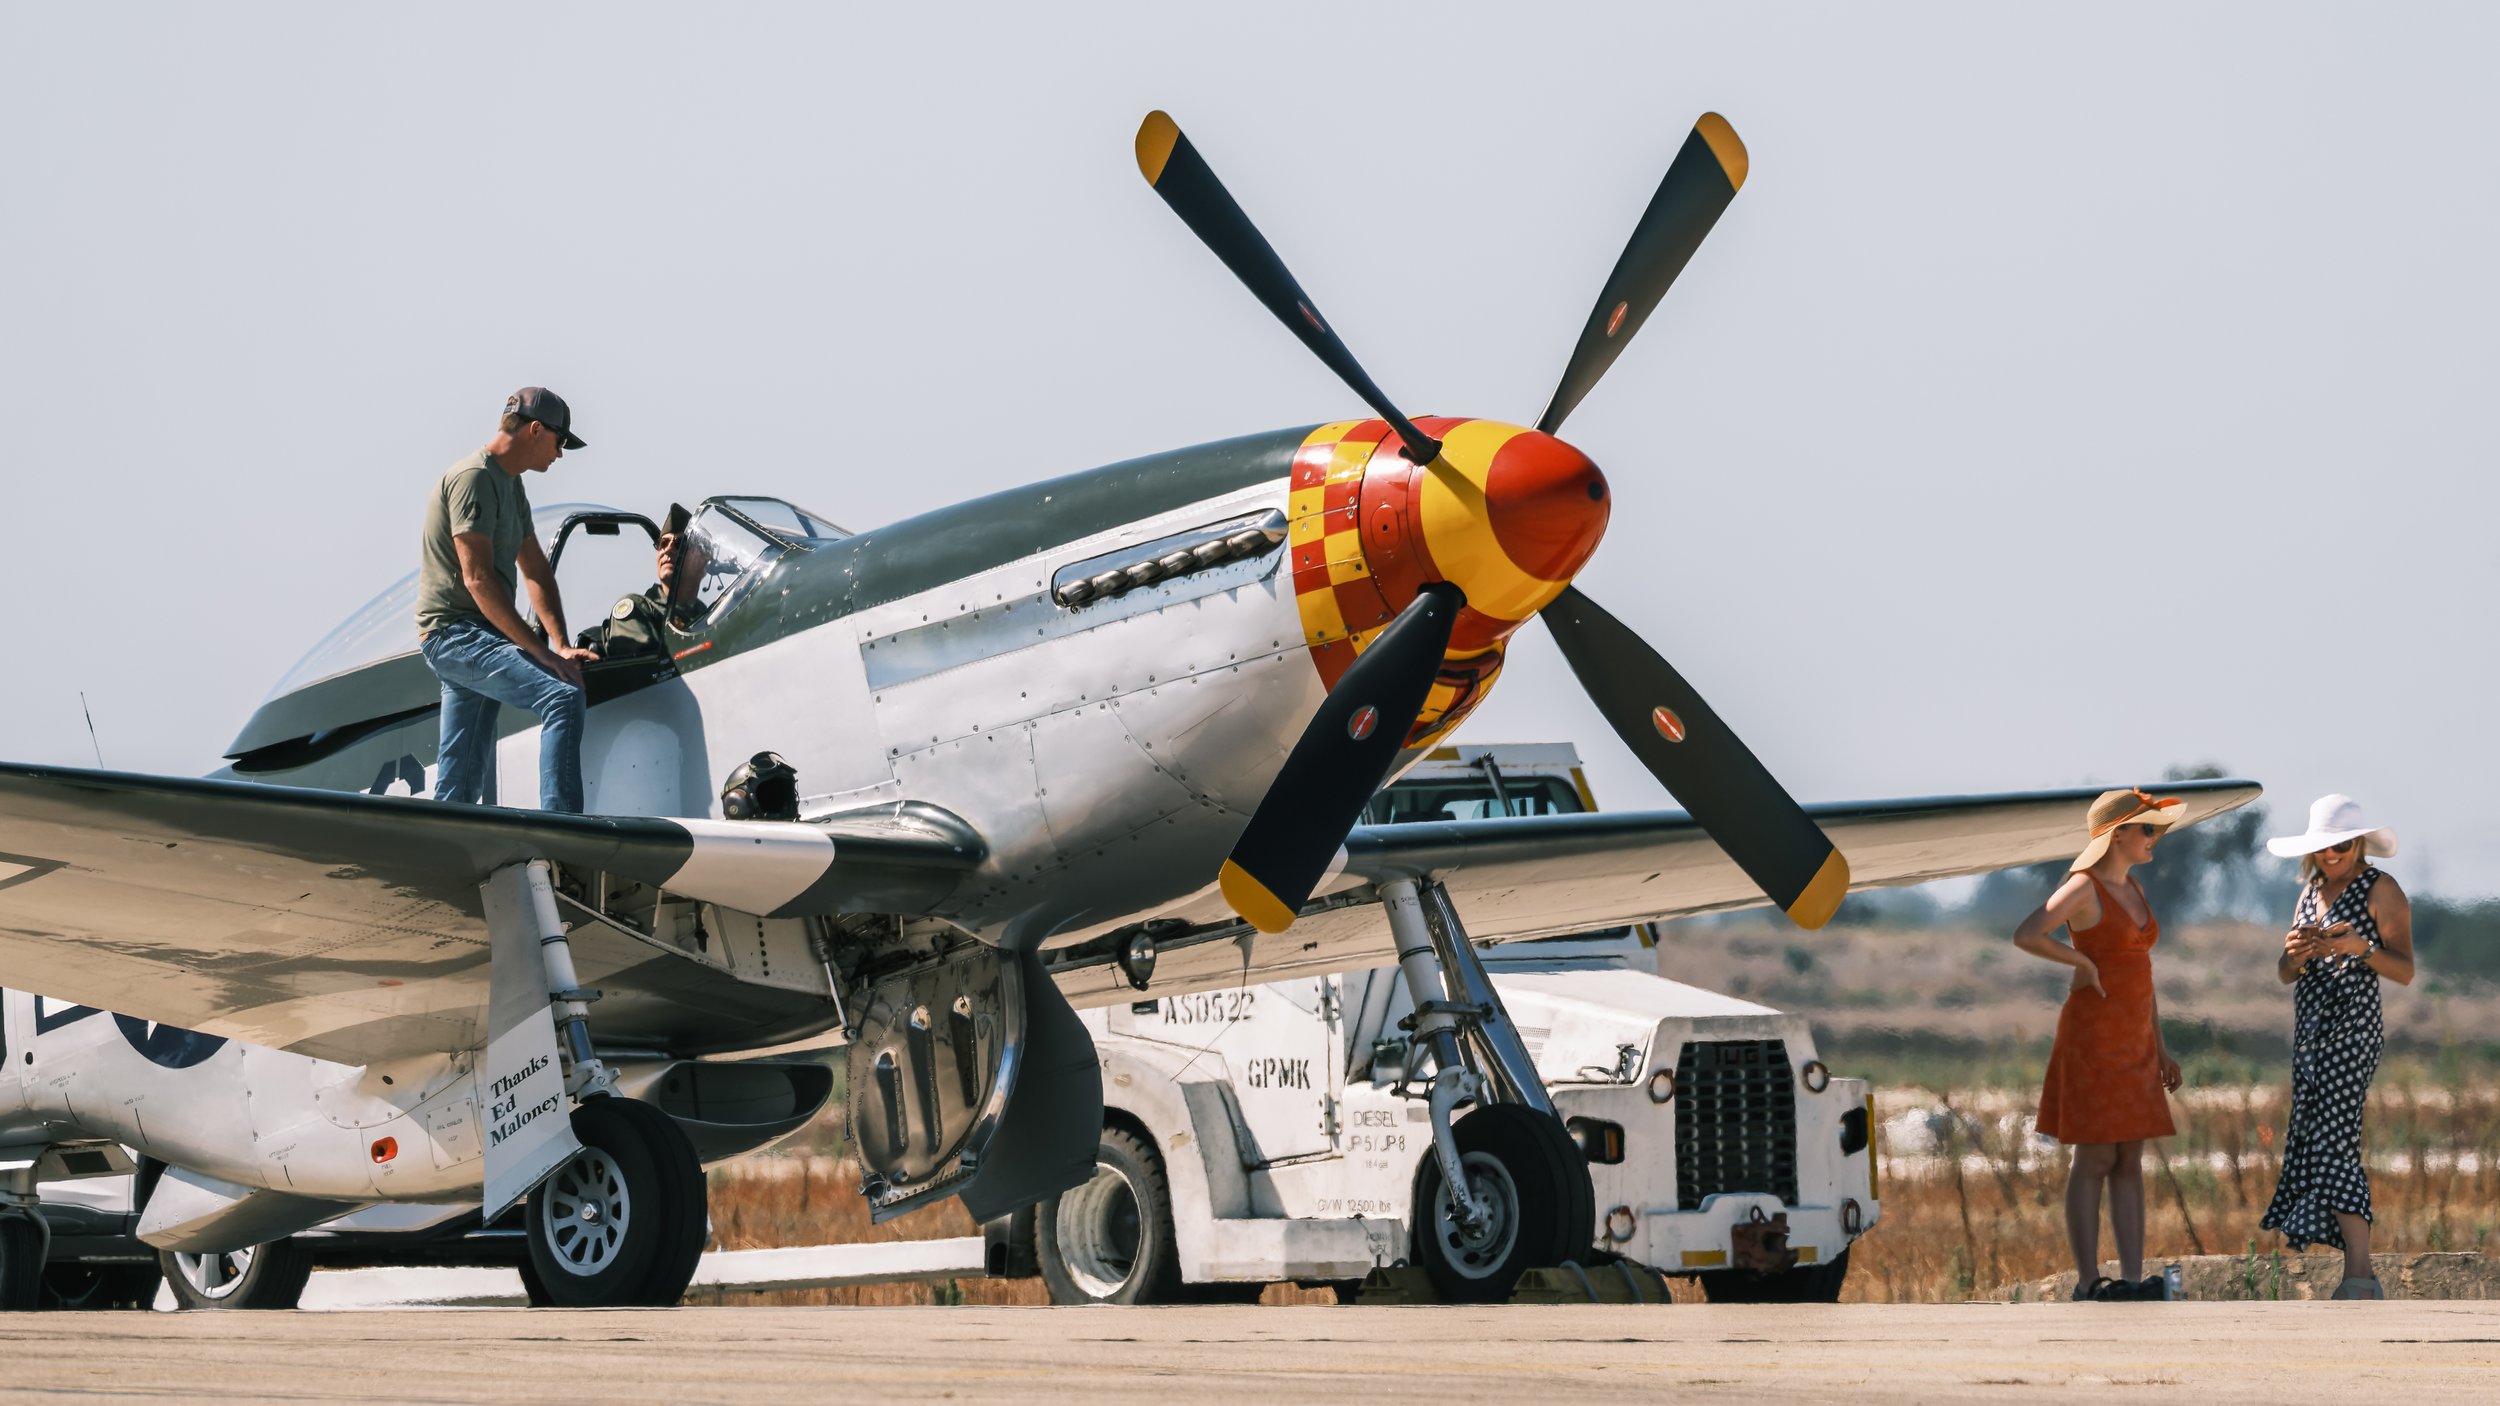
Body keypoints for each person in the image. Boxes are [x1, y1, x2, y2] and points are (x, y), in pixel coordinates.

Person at [2012, 787, 2188, 1301]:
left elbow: (2141, 976)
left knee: (2130, 1156)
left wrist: (2160, 1046)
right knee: (2094, 1159)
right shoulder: (2083, 888)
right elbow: (2028, 932)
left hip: (2135, 1037)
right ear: (2118, 836)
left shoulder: (2135, 889)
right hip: (2092, 1037)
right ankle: (2088, 1282)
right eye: (2148, 829)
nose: (2156, 838)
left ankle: (2131, 1281)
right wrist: (2082, 963)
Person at [2258, 795, 2415, 1300]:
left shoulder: (2381, 889)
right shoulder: (2310, 891)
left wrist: (2359, 948)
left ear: (2360, 843)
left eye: (2343, 845)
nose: (2333, 854)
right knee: (2315, 1137)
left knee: (2336, 1139)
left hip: (2353, 1034)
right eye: (2324, 847)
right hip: (2310, 1037)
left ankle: (2361, 1274)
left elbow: (2406, 970)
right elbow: (2285, 976)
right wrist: (2295, 955)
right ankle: (2358, 1274)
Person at [415, 387, 599, 812]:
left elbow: (535, 570)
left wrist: (560, 643)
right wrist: (543, 655)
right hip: (455, 634)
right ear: (536, 430)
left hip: (476, 634)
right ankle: (564, 830)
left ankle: (446, 856)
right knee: (562, 695)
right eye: (560, 442)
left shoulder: (511, 487)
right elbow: (478, 579)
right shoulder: (474, 478)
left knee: (459, 789)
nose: (561, 454)